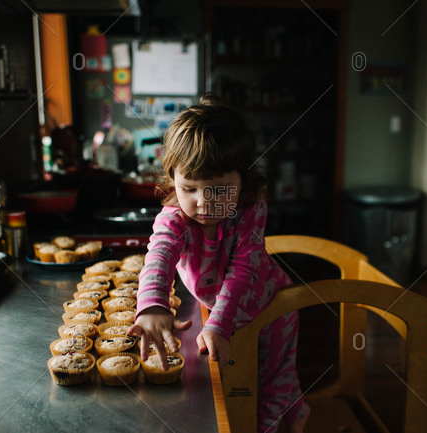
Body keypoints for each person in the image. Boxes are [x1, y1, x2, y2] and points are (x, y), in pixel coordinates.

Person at [128, 95, 310, 433]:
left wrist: (218, 325)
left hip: (274, 307)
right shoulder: (174, 218)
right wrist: (152, 303)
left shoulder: (250, 209)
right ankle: (297, 410)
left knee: (273, 378)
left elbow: (242, 271)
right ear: (173, 180)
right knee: (247, 377)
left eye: (220, 190)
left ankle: (289, 419)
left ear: (243, 181)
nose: (203, 203)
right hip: (227, 311)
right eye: (190, 189)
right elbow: (159, 254)